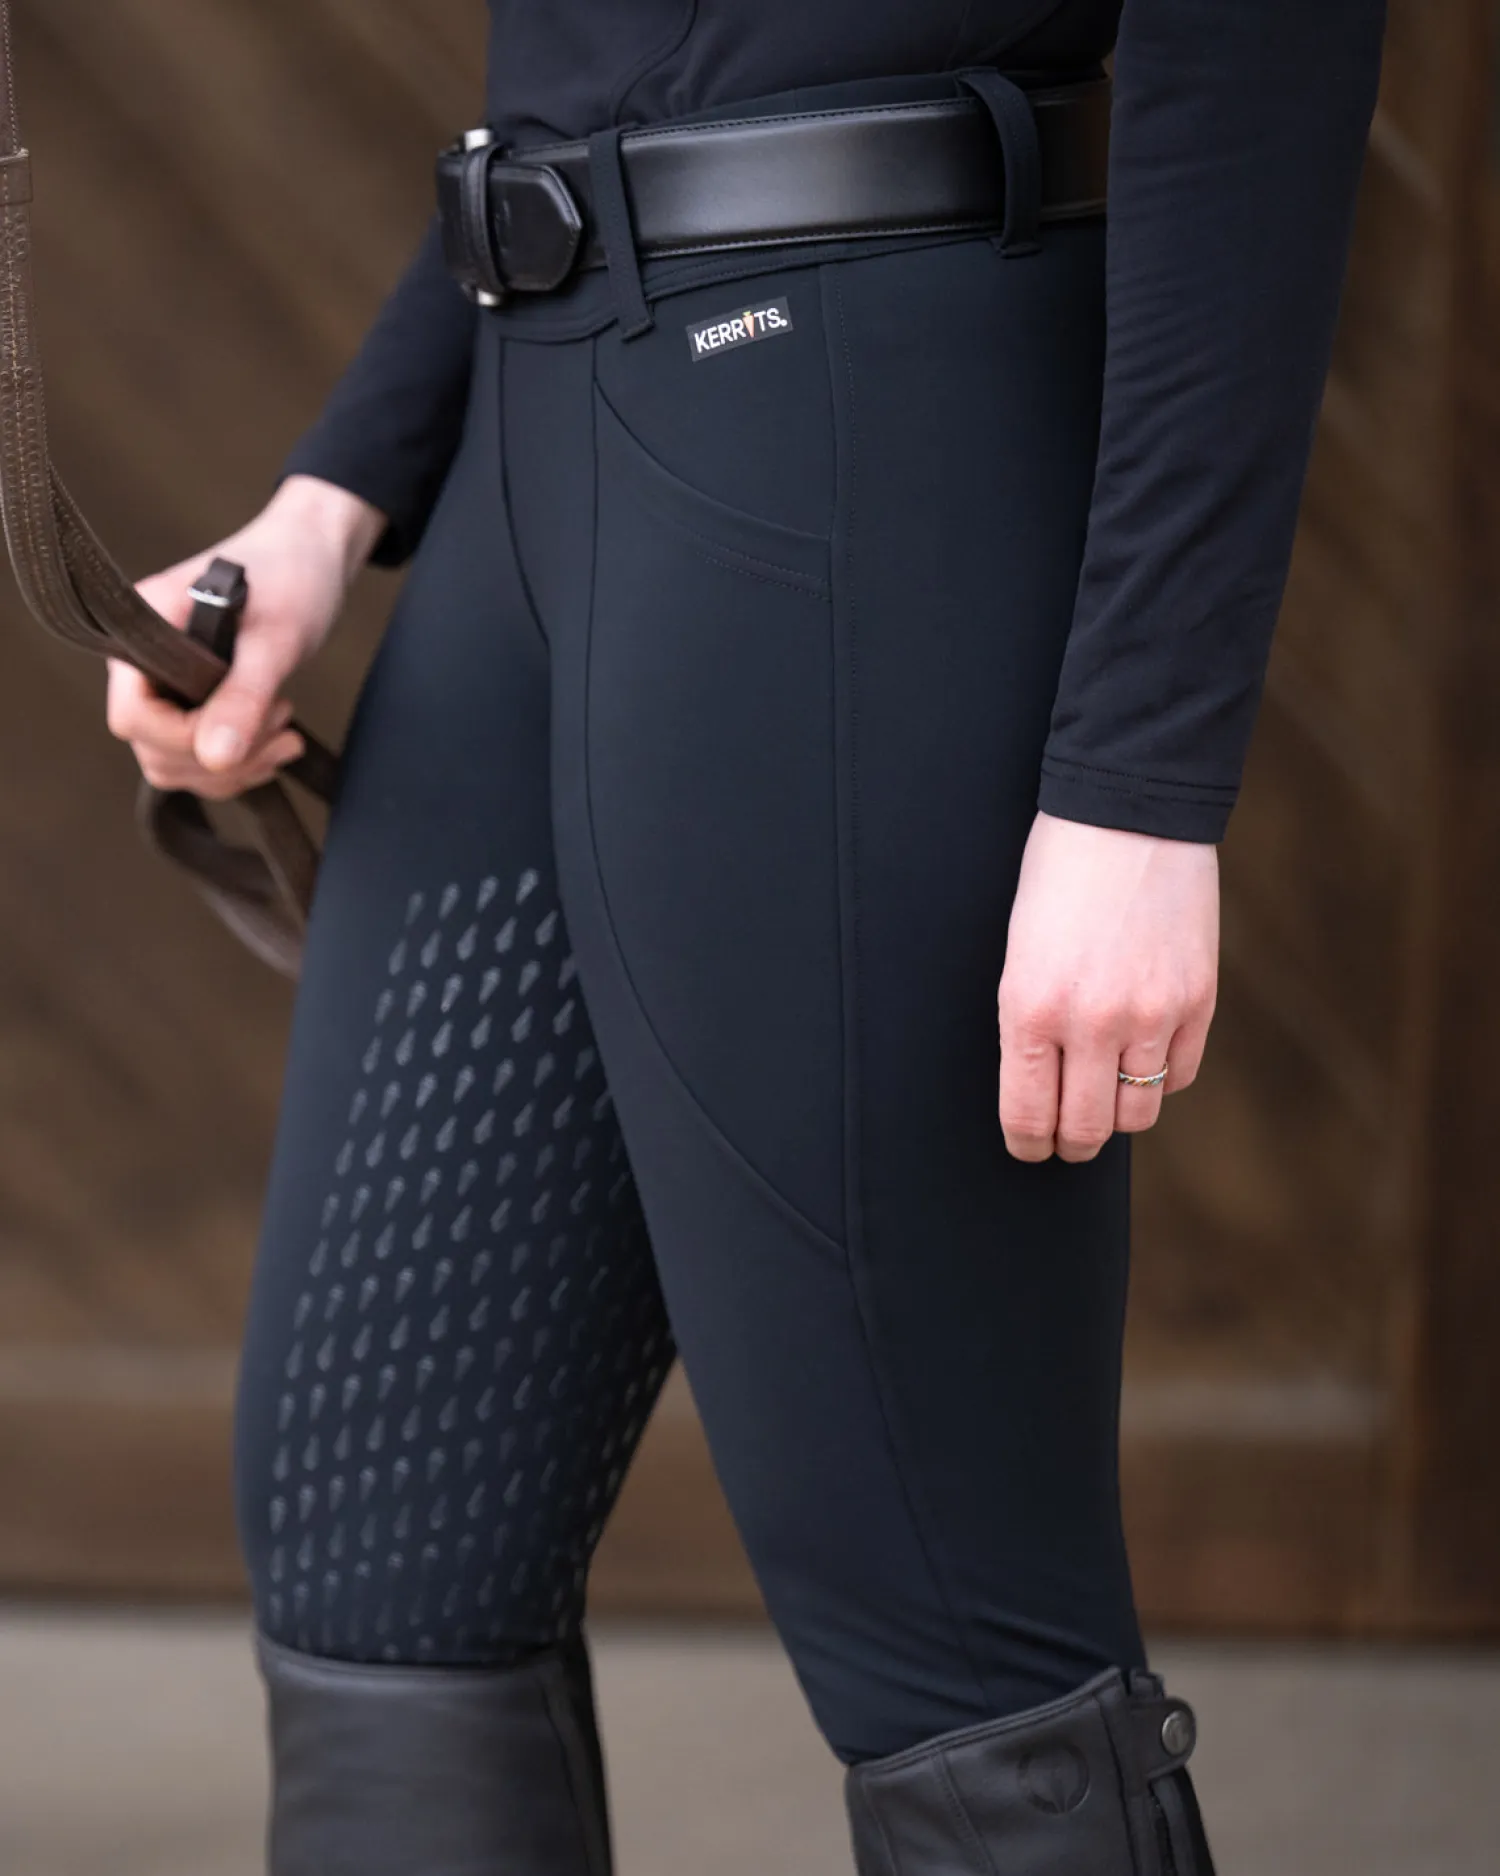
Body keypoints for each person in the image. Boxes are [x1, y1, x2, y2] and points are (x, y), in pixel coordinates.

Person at [106, 3, 1386, 1871]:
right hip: (531, 466)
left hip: (854, 455)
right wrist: (328, 499)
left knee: (959, 1647)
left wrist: (1142, 781)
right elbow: (605, 83)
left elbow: (1261, 60)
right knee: (379, 1555)